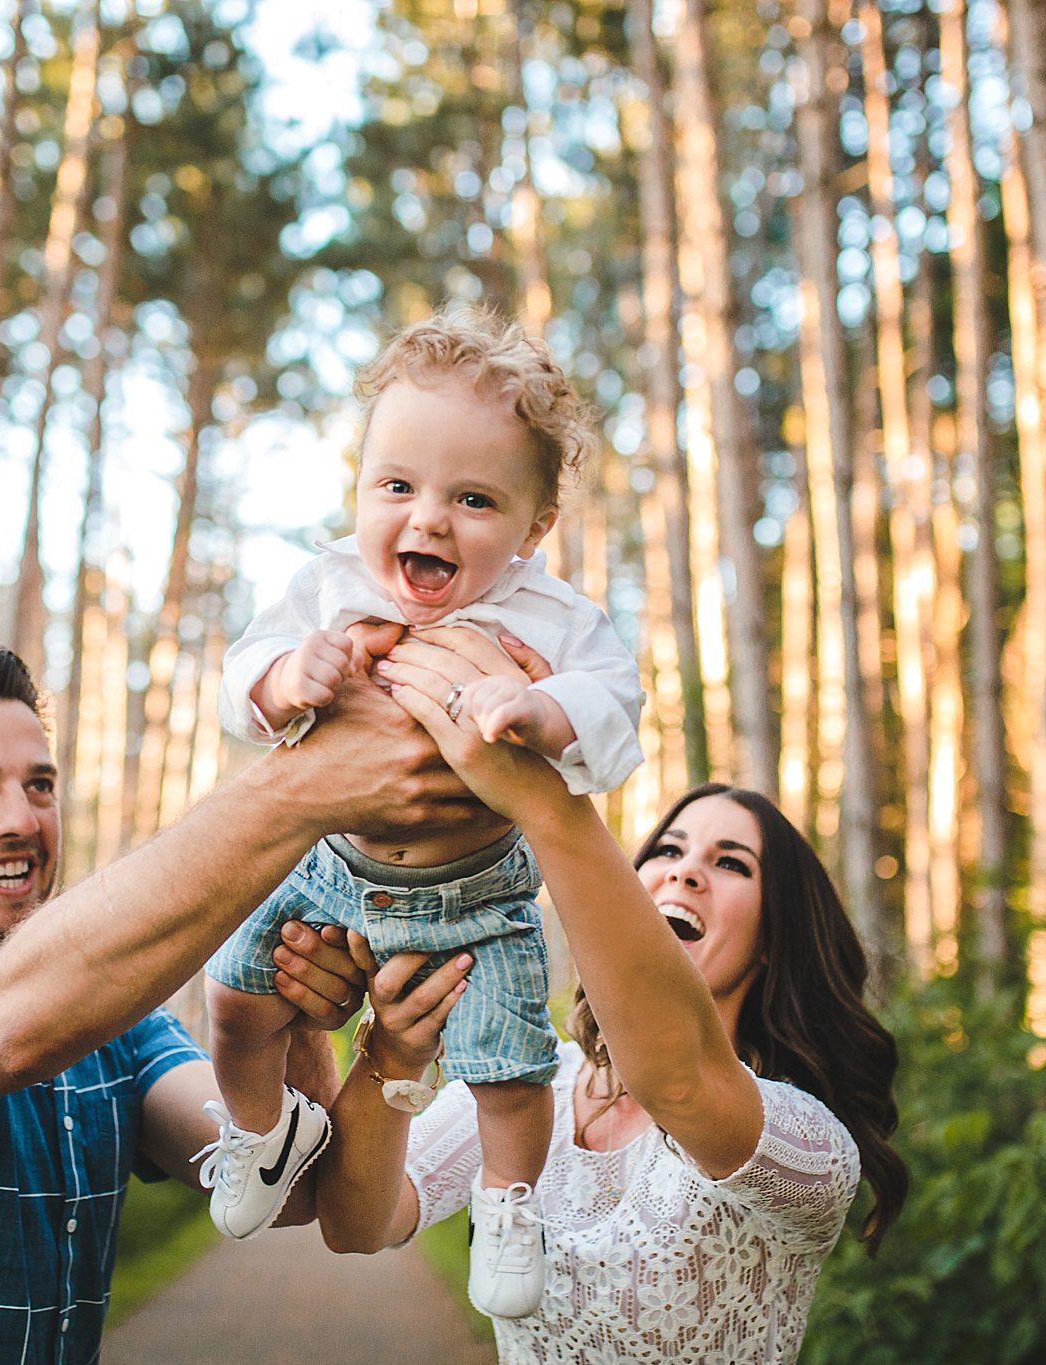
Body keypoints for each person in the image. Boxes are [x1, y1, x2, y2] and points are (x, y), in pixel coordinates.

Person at [0, 641, 497, 1365]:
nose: (21, 819)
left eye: (39, 784)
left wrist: (293, 1019)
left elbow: (289, 1190)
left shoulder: (122, 1032)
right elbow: (10, 1027)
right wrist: (301, 788)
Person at [290, 629, 908, 1362]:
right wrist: (390, 1054)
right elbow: (358, 1225)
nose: (683, 873)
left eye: (731, 862)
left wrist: (541, 794)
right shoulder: (530, 1084)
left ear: (775, 937)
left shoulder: (805, 1144)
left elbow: (677, 1077)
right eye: (667, 851)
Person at [197, 306, 644, 1319]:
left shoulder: (551, 620)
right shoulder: (328, 583)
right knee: (231, 1002)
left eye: (472, 498)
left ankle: (509, 1201)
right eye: (395, 486)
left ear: (533, 527)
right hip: (327, 865)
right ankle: (266, 1135)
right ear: (359, 487)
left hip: (473, 898)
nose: (426, 519)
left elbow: (615, 716)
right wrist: (280, 679)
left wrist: (540, 709)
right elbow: (235, 683)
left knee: (508, 1070)